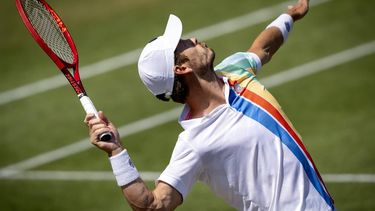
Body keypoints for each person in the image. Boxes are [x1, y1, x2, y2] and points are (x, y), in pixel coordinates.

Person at [85, 0, 335, 210]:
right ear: (180, 67)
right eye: (185, 44)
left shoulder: (234, 70)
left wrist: (289, 15)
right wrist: (116, 153)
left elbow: (264, 47)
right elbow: (153, 205)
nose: (194, 38)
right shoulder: (195, 142)